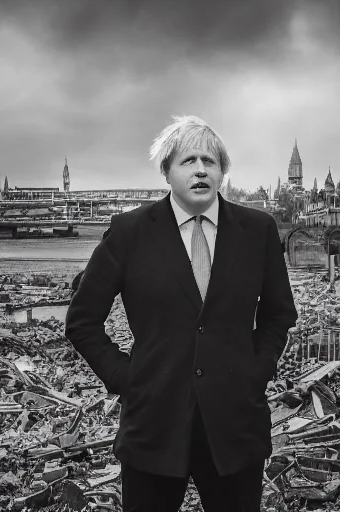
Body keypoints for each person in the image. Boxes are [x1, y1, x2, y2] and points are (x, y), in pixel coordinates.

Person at [65, 115, 297, 511]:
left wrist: (256, 371)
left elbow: (278, 316)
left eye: (211, 161)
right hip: (153, 423)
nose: (201, 170)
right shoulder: (129, 233)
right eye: (188, 161)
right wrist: (126, 377)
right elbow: (82, 320)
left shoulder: (258, 231)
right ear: (167, 172)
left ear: (223, 171)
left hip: (235, 425)